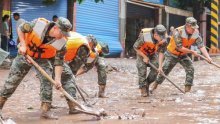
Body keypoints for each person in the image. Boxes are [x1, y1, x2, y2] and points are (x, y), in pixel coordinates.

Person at [0, 17, 77, 119]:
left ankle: (46, 110)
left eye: (65, 34)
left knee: (47, 79)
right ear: (55, 28)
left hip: (42, 59)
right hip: (25, 53)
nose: (63, 36)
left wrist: (58, 79)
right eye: (62, 33)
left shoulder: (61, 42)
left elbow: (59, 62)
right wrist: (23, 45)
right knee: (13, 81)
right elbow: (21, 28)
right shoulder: (38, 24)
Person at [151, 17, 212, 93]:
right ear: (187, 26)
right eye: (192, 28)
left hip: (183, 54)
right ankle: (155, 85)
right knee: (164, 70)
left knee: (190, 68)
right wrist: (192, 52)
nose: (194, 30)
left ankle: (187, 91)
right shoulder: (178, 32)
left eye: (194, 28)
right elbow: (179, 48)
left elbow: (201, 45)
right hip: (172, 54)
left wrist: (208, 57)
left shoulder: (195, 32)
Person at [133, 25, 168, 97]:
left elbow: (161, 53)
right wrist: (144, 57)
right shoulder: (144, 36)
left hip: (152, 53)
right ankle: (143, 88)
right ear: (155, 35)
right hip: (142, 53)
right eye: (161, 38)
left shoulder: (163, 40)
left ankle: (147, 83)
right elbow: (135, 47)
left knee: (156, 67)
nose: (163, 39)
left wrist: (160, 67)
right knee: (142, 70)